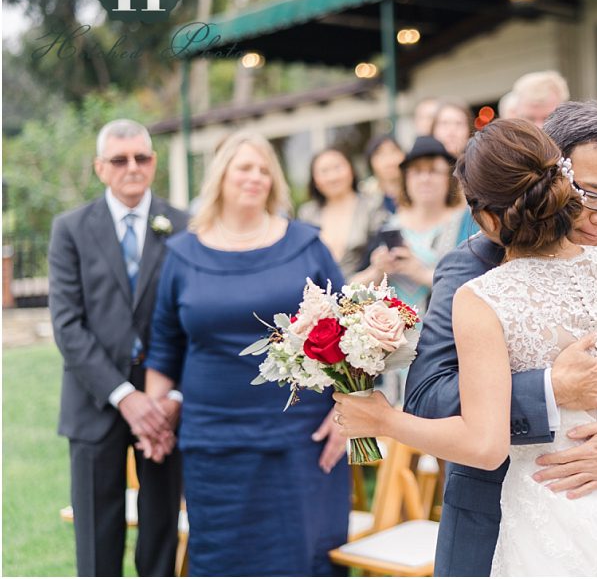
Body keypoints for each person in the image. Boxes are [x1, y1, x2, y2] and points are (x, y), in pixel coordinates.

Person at [334, 117, 597, 576]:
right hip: (500, 517)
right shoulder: (468, 271)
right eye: (590, 195)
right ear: (556, 174)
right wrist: (549, 389)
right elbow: (429, 395)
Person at [143, 132, 350, 576]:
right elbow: (164, 346)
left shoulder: (307, 245)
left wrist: (348, 412)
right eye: (244, 167)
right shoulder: (182, 254)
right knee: (222, 559)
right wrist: (156, 418)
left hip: (300, 438)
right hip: (213, 442)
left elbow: (349, 333)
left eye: (263, 169)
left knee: (303, 555)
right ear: (220, 176)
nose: (254, 177)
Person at [48, 119, 185, 576]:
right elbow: (67, 325)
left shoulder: (184, 226)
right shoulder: (70, 229)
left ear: (154, 163)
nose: (133, 167)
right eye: (120, 159)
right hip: (95, 402)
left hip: (165, 406)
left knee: (162, 533)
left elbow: (193, 318)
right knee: (96, 541)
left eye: (142, 158)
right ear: (100, 167)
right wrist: (125, 397)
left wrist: (169, 398)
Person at [354, 135, 467, 313]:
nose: (424, 179)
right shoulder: (389, 225)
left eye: (433, 171)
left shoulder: (465, 223)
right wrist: (377, 271)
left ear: (448, 177)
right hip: (397, 338)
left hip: (448, 333)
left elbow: (476, 284)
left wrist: (421, 274)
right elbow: (350, 292)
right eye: (416, 172)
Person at [297, 147, 388, 279]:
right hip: (320, 294)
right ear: (315, 180)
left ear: (351, 170)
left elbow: (382, 254)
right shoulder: (307, 214)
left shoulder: (372, 205)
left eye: (338, 168)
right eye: (324, 171)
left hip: (366, 290)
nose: (333, 177)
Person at [361, 134, 405, 213]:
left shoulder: (417, 189)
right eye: (380, 154)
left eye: (393, 151)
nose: (389, 160)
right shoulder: (364, 197)